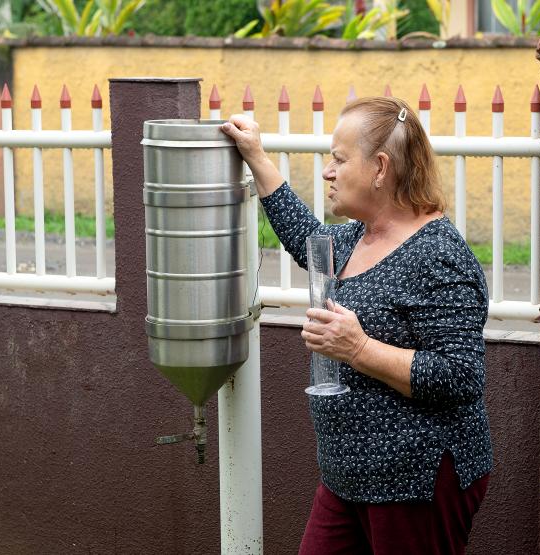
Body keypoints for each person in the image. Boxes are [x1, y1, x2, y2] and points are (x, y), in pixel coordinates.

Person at [221, 96, 491, 555]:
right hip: (347, 475)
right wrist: (258, 159)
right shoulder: (354, 238)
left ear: (381, 168)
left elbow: (460, 375)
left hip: (415, 479)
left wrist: (358, 348)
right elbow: (305, 238)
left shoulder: (438, 254)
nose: (328, 171)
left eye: (339, 160)